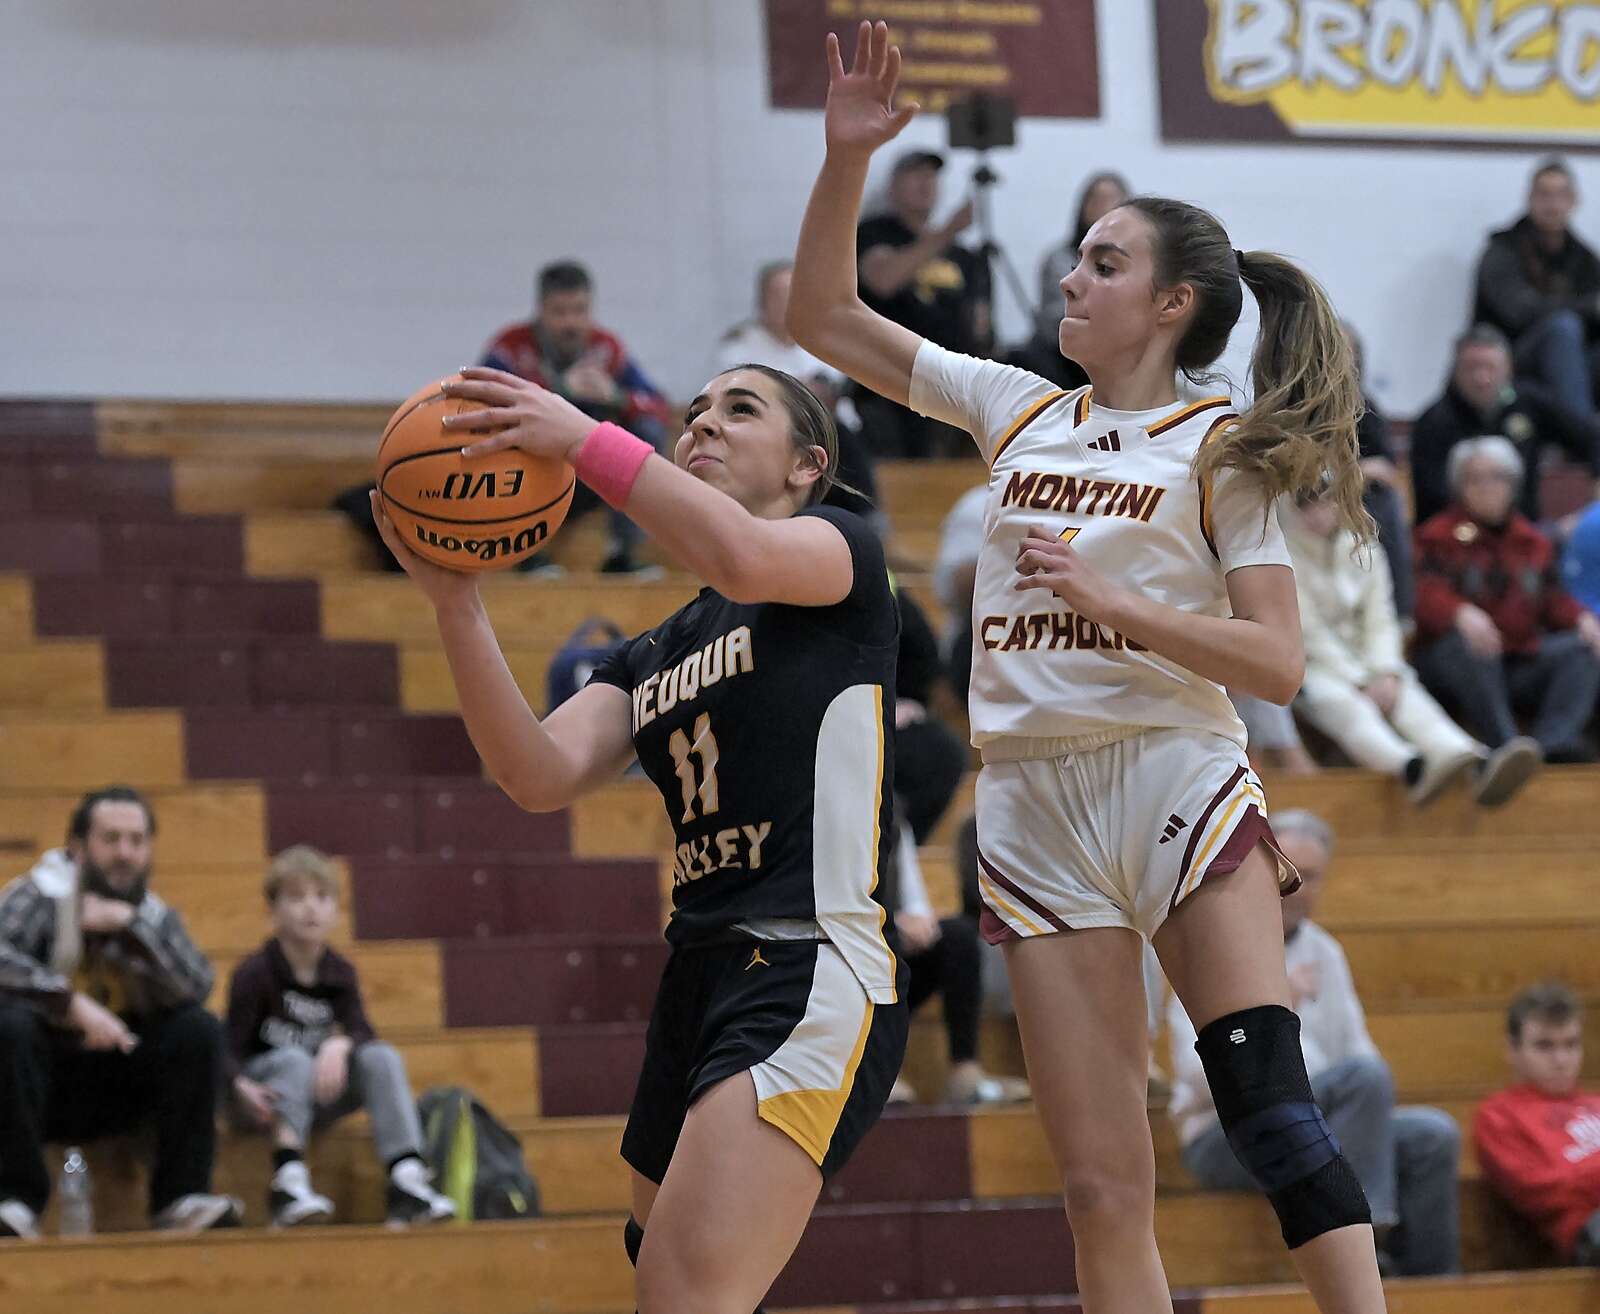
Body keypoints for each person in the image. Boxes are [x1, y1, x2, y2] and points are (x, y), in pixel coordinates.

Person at [788, 22, 1387, 1314]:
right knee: (1101, 1188)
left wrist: (1120, 605)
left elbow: (1278, 662)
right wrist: (844, 160)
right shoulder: (1013, 405)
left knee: (1272, 1115)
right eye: (1078, 255)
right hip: (1030, 798)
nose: (1071, 275)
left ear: (1171, 305)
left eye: (1104, 262)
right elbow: (821, 315)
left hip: (1173, 773)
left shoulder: (1220, 444)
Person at [368, 356, 907, 1314]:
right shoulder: (653, 650)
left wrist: (581, 437)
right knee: (666, 1273)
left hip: (808, 960)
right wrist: (456, 602)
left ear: (807, 466)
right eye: (694, 412)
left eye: (740, 409)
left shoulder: (843, 554)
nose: (703, 424)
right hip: (697, 971)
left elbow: (742, 558)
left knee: (683, 1295)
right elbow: (537, 774)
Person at [1168, 810, 1462, 1277]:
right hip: (1225, 1136)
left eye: (1313, 876)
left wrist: (1362, 1112)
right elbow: (1195, 1075)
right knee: (1363, 1081)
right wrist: (1275, 1010)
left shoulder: (1325, 951)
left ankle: (1431, 1287)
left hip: (1317, 1121)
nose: (1298, 887)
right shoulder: (1213, 942)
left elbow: (1359, 1054)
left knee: (1432, 1135)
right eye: (1289, 871)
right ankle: (1366, 1238)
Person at [0, 787, 242, 1238]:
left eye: (136, 840)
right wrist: (69, 1003)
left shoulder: (151, 913)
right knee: (8, 1027)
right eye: (110, 839)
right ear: (78, 847)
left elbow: (198, 985)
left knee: (199, 1029)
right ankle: (13, 1202)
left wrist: (133, 929)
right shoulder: (38, 895)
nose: (124, 854)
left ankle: (181, 1198)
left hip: (119, 1081)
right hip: (39, 1083)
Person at [225, 846, 456, 1229]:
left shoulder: (340, 972)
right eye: (296, 897)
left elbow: (362, 1030)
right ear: (272, 910)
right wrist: (239, 1086)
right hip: (261, 1100)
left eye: (322, 897)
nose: (310, 908)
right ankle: (287, 1181)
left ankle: (406, 1178)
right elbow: (228, 1049)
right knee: (295, 1059)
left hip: (317, 1094)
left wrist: (341, 1042)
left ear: (336, 911)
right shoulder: (255, 973)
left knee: (380, 1056)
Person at [1283, 486, 1536, 807]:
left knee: (1407, 693)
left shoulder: (1365, 547)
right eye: (1306, 506)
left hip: (1370, 661)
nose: (1317, 514)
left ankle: (1472, 758)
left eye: (1324, 503)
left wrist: (1384, 670)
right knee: (1344, 704)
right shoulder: (1281, 557)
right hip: (1313, 667)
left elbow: (1381, 619)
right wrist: (1360, 680)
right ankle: (1413, 770)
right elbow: (1310, 634)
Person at [480, 260, 674, 576]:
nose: (571, 323)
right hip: (529, 471)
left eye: (580, 311)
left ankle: (621, 555)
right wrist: (558, 390)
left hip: (586, 473)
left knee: (647, 430)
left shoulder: (606, 348)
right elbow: (482, 409)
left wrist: (616, 396)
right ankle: (527, 551)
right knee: (503, 438)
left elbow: (656, 406)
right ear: (540, 310)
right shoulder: (510, 348)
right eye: (560, 312)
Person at [1413, 437, 1600, 764]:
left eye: (1497, 478)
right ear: (1459, 487)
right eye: (1475, 479)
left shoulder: (1533, 542)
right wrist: (1458, 612)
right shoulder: (1436, 536)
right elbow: (1420, 593)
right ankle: (1507, 748)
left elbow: (1553, 601)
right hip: (1455, 661)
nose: (1487, 488)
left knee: (1581, 649)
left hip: (1517, 657)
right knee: (1468, 645)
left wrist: (1581, 618)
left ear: (1513, 485)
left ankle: (1551, 745)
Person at [718, 259, 882, 527]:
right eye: (779, 295)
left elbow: (838, 389)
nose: (787, 303)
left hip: (830, 437)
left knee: (838, 435)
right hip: (769, 438)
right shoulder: (740, 348)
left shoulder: (825, 341)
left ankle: (867, 520)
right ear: (762, 302)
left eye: (793, 294)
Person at [854, 148, 990, 458]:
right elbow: (883, 280)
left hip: (956, 373)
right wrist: (947, 231)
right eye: (915, 174)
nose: (925, 182)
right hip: (896, 370)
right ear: (893, 186)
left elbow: (980, 322)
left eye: (931, 176)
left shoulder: (962, 254)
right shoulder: (875, 233)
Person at [884, 823, 1027, 1105]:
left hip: (898, 948)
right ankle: (879, 1074)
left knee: (958, 936)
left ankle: (965, 1071)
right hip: (857, 941)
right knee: (878, 946)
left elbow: (914, 901)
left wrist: (919, 920)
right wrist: (891, 922)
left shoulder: (895, 818)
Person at [1409, 325, 1600, 527]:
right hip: (1456, 531)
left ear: (1508, 369)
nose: (1482, 378)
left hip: (1525, 529)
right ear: (1455, 370)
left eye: (1490, 367)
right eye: (1471, 368)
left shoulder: (1529, 403)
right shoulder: (1434, 422)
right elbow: (1431, 495)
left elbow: (1590, 437)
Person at [1475, 982, 1600, 1265]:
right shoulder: (1497, 1116)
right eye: (1545, 1046)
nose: (1561, 1060)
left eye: (1571, 1044)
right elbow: (1543, 1190)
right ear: (1512, 1049)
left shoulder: (1596, 1103)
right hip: (1585, 1231)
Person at [1474, 158, 1600, 419]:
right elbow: (1520, 311)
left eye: (1560, 195)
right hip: (1510, 358)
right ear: (1529, 198)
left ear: (1574, 201)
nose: (1552, 204)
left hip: (1573, 363)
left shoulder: (1584, 258)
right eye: (1544, 195)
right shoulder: (1503, 251)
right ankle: (1585, 432)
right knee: (1563, 328)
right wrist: (1589, 307)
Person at [1343, 323, 1413, 620]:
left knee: (1387, 504)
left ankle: (1398, 613)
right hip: (1306, 500)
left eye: (1349, 355)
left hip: (1353, 499)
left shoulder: (1365, 407)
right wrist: (1355, 473)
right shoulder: (1292, 405)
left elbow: (1387, 470)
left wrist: (1353, 476)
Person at [892, 580, 967, 845]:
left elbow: (924, 657)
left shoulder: (883, 587)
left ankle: (897, 852)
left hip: (888, 712)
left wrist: (908, 702)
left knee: (944, 754)